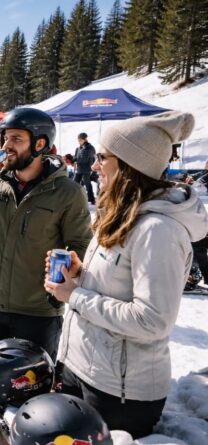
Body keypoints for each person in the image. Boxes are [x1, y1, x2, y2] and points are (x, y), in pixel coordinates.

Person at [45, 111, 204, 438]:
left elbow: (151, 320)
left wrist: (74, 295)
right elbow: (117, 285)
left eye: (103, 157)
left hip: (119, 392)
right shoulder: (119, 214)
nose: (94, 164)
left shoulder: (158, 230)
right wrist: (82, 273)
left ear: (131, 164)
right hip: (85, 368)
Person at [0, 108, 92, 387]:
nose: (6, 147)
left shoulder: (67, 192)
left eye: (16, 139)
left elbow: (82, 243)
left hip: (38, 313)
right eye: (5, 139)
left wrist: (65, 279)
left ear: (40, 144)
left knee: (29, 390)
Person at [74, 132, 96, 204]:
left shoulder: (90, 148)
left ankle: (91, 199)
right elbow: (76, 157)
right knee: (74, 184)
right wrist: (71, 159)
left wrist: (77, 160)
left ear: (85, 139)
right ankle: (74, 198)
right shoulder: (78, 148)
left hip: (86, 169)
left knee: (87, 184)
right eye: (78, 140)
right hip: (79, 169)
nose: (79, 142)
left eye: (80, 140)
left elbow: (86, 158)